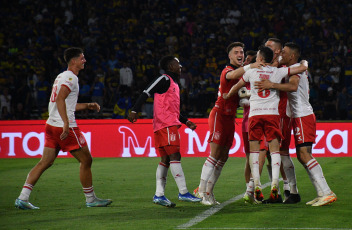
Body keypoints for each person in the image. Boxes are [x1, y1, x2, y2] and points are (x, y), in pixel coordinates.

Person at [15, 47, 112, 210]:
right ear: (73, 61)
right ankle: (91, 199)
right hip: (63, 127)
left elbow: (66, 103)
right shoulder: (71, 78)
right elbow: (60, 99)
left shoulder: (62, 76)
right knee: (86, 160)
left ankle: (22, 198)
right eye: (82, 58)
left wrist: (87, 105)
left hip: (51, 125)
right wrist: (66, 123)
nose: (84, 60)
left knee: (45, 162)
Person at [254, 42, 337, 206]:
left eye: (284, 52)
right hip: (299, 116)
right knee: (302, 155)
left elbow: (292, 86)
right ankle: (321, 193)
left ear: (292, 56)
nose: (281, 54)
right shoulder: (297, 66)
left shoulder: (298, 68)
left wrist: (271, 85)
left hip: (302, 115)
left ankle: (327, 192)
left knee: (305, 154)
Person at [223, 45, 308, 203]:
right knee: (274, 150)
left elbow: (238, 85)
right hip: (272, 115)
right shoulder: (277, 71)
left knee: (254, 151)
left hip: (255, 114)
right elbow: (300, 69)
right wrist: (305, 63)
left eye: (257, 57)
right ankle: (275, 183)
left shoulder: (251, 71)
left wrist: (228, 94)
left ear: (260, 58)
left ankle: (256, 184)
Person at [194, 42, 263, 205]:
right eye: (237, 52)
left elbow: (239, 98)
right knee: (215, 154)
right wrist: (251, 66)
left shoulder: (240, 75)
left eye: (242, 52)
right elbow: (231, 77)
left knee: (223, 157)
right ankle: (201, 191)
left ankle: (209, 193)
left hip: (230, 118)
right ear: (230, 56)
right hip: (219, 115)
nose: (240, 54)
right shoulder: (228, 71)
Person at [127, 55, 201, 208]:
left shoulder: (174, 83)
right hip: (166, 125)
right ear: (170, 66)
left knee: (166, 159)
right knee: (175, 155)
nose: (180, 66)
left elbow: (172, 109)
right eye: (177, 63)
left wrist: (186, 121)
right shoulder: (164, 79)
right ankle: (183, 192)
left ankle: (159, 195)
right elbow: (146, 91)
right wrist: (134, 109)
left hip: (166, 124)